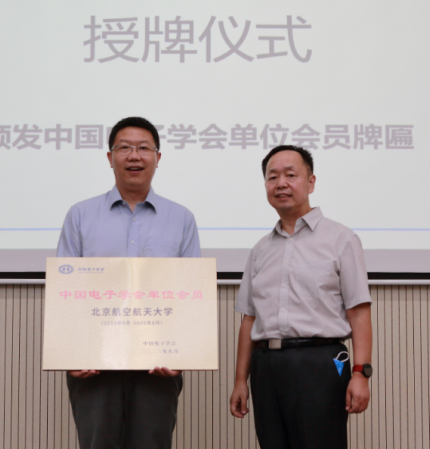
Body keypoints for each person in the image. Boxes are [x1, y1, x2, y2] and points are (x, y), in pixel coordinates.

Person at [57, 116, 201, 449]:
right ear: (110, 157)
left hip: (158, 364)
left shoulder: (181, 218)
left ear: (158, 158)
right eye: (124, 148)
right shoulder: (80, 215)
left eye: (143, 148)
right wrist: (71, 353)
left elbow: (191, 296)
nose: (134, 156)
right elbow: (67, 293)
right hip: (94, 364)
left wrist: (182, 355)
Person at [229, 145, 373, 449]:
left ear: (311, 182)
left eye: (290, 175)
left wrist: (361, 374)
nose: (280, 183)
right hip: (266, 366)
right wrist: (241, 380)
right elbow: (249, 319)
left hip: (321, 362)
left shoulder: (341, 239)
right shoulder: (261, 249)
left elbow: (359, 312)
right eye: (272, 177)